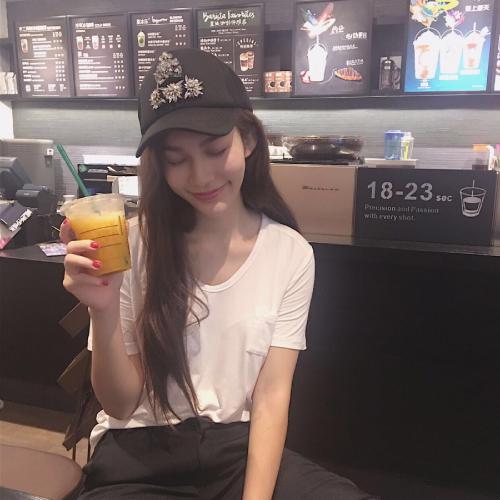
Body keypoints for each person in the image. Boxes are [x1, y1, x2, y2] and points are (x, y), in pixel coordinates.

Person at [61, 48, 379, 500]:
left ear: (247, 139)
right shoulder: (132, 245)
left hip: (236, 449)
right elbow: (120, 404)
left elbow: (271, 398)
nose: (201, 176)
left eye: (214, 150)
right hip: (139, 454)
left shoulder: (289, 253)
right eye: (176, 159)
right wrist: (103, 310)